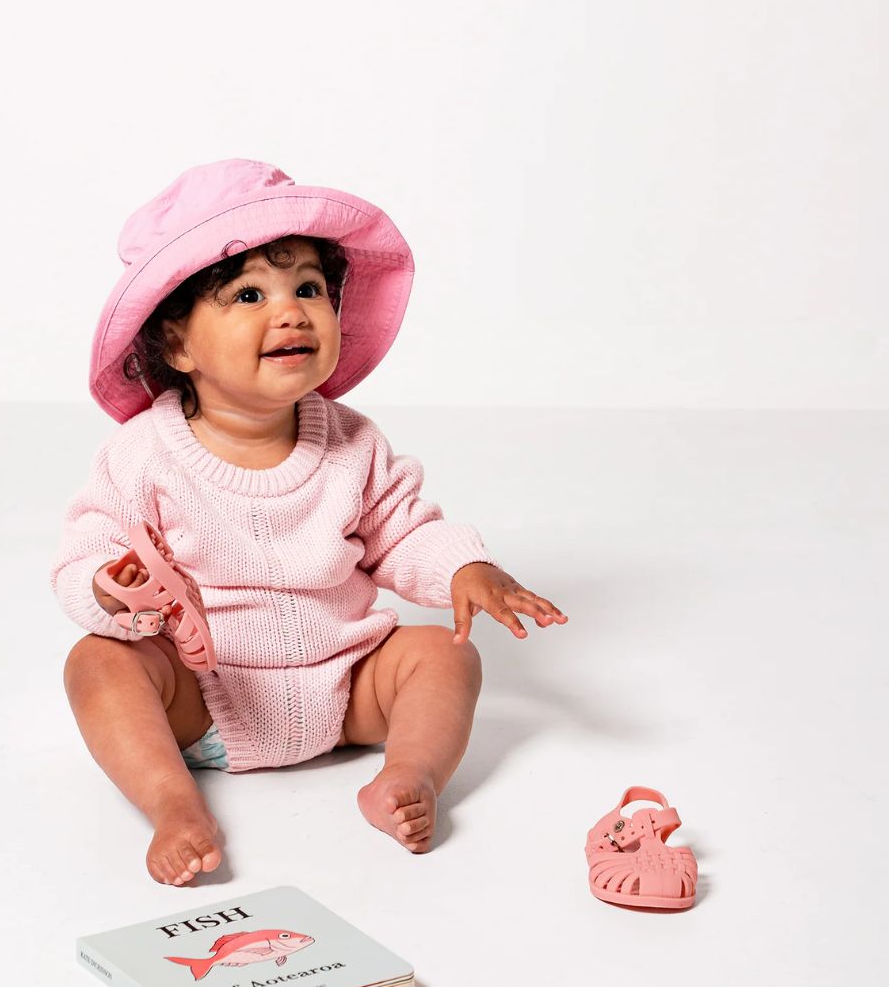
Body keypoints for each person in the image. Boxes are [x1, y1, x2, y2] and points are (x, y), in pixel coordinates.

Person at [50, 159, 567, 887]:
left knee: (446, 656)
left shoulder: (351, 441)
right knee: (95, 664)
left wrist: (464, 567)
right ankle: (173, 804)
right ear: (178, 346)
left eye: (309, 290)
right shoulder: (142, 455)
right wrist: (109, 589)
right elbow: (81, 556)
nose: (291, 312)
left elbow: (403, 528)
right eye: (250, 294)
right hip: (200, 700)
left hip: (347, 689)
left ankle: (406, 777)